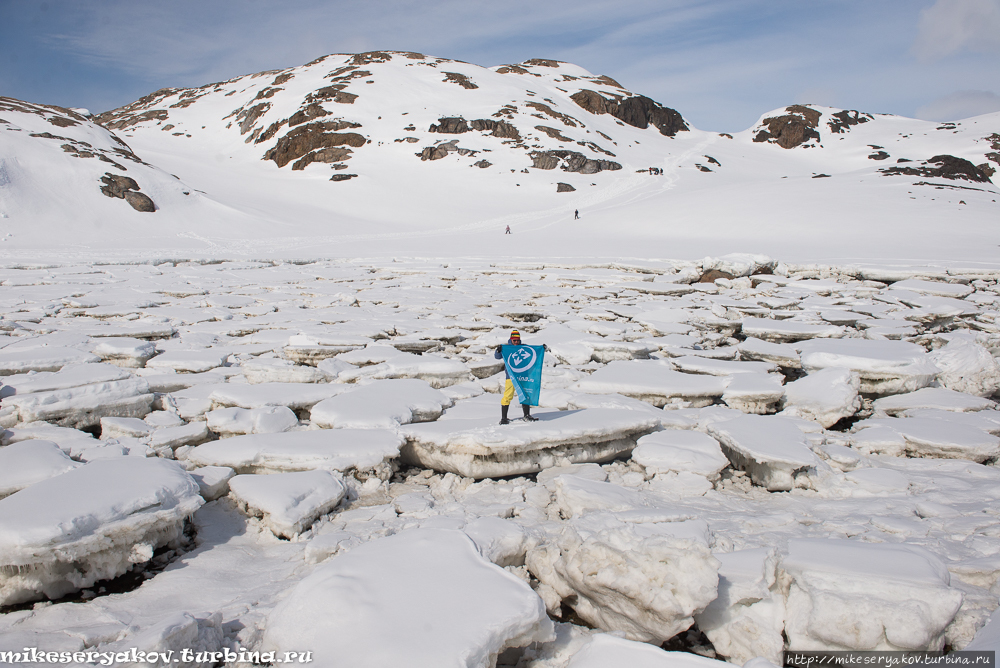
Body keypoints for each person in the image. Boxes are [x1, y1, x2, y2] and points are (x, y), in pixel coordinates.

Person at [494, 329, 538, 424]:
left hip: (522, 377)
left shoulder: (523, 347)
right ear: (511, 339)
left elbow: (534, 351)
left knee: (525, 395)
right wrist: (498, 351)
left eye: (518, 340)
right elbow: (497, 357)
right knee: (508, 396)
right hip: (510, 377)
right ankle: (504, 418)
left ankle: (526, 415)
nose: (516, 342)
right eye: (514, 340)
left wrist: (542, 348)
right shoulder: (507, 348)